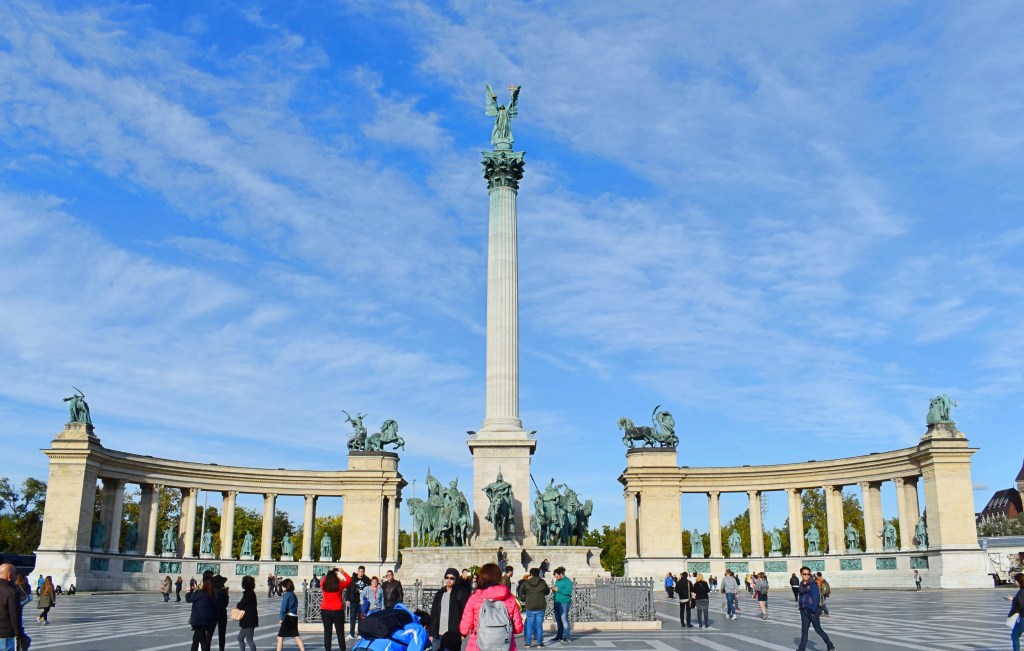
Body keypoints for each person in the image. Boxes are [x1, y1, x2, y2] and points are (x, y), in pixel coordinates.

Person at [459, 563, 523, 651]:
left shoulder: (475, 598)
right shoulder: (510, 598)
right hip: (505, 646)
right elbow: (518, 628)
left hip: (478, 645)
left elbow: (464, 628)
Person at [429, 568, 469, 651]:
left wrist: (462, 634)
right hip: (438, 634)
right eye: (447, 577)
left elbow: (465, 614)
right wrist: (432, 633)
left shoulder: (461, 594)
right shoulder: (439, 594)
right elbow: (434, 614)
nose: (448, 580)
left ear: (456, 579)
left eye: (452, 578)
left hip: (453, 635)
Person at [795, 566, 834, 651]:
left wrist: (813, 609)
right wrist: (801, 607)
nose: (806, 576)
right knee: (804, 630)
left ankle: (830, 646)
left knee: (818, 629)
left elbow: (815, 599)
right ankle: (801, 649)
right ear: (801, 574)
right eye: (804, 574)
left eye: (808, 574)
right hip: (803, 610)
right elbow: (801, 596)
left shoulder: (813, 584)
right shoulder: (801, 584)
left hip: (812, 611)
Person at [320, 568, 351, 651]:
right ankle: (342, 649)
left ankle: (328, 649)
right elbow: (349, 580)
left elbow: (322, 580)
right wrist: (343, 572)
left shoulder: (324, 585)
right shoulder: (340, 585)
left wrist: (329, 572)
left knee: (327, 633)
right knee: (340, 633)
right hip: (338, 610)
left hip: (325, 609)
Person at [0, 563, 28, 651]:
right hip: (5, 634)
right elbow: (14, 616)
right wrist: (19, 634)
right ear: (9, 575)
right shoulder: (11, 592)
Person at [187, 575, 218, 651]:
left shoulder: (200, 593)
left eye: (202, 582)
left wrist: (189, 591)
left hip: (199, 620)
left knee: (202, 641)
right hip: (205, 620)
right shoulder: (211, 593)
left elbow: (189, 599)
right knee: (195, 640)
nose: (200, 584)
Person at [521, 567, 550, 648]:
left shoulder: (527, 582)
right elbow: (547, 592)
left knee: (529, 625)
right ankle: (539, 642)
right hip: (540, 606)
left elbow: (523, 591)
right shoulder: (542, 582)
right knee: (539, 625)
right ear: (539, 574)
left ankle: (528, 643)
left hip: (530, 606)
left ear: (531, 574)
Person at [276, 578, 306, 651]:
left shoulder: (287, 595)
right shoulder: (293, 594)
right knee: (296, 636)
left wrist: (281, 618)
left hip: (288, 617)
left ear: (286, 586)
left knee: (280, 637)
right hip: (294, 617)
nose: (282, 588)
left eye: (283, 586)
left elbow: (283, 607)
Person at [236, 575, 259, 651]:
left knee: (249, 640)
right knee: (240, 638)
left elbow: (241, 605)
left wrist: (238, 605)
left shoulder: (248, 594)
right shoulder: (251, 593)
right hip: (248, 620)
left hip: (248, 620)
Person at [551, 566, 573, 644]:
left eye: (557, 576)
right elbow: (557, 590)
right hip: (557, 602)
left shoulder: (567, 581)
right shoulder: (558, 581)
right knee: (558, 620)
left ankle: (567, 637)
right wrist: (554, 590)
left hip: (564, 602)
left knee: (564, 619)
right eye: (555, 577)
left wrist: (558, 590)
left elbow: (568, 591)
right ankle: (559, 635)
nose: (556, 578)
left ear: (561, 574)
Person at [346, 566, 369, 639]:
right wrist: (347, 599)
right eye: (360, 571)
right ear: (357, 571)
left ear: (364, 572)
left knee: (361, 618)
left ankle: (360, 633)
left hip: (362, 602)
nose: (361, 573)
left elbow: (371, 587)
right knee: (352, 618)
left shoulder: (367, 580)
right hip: (353, 601)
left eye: (362, 571)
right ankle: (351, 633)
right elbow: (348, 589)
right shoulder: (352, 579)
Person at [1006, 572, 1024, 651]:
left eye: (1015, 580)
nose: (1014, 582)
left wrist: (1012, 613)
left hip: (1023, 618)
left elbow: (1020, 605)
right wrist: (1014, 599)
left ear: (1019, 581)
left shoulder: (1021, 591)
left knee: (1015, 635)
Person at [213, 574, 230, 651]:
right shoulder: (223, 592)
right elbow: (226, 603)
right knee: (222, 634)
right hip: (222, 614)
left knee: (209, 634)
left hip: (212, 614)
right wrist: (227, 594)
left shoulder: (212, 591)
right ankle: (221, 649)